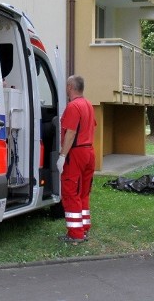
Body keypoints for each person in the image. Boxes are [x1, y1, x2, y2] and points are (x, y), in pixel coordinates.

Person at [56, 75, 96, 244]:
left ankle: (75, 234)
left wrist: (63, 156)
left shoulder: (73, 106)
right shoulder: (88, 104)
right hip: (89, 152)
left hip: (76, 153)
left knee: (71, 192)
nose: (66, 88)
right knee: (83, 192)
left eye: (67, 86)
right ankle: (84, 228)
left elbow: (71, 133)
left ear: (70, 87)